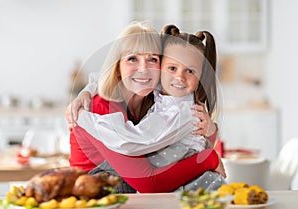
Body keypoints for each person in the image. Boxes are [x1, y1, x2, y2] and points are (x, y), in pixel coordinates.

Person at [69, 21, 225, 193]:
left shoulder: (153, 95)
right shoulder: (100, 107)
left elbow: (193, 139)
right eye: (132, 59)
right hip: (93, 194)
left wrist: (210, 129)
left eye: (152, 59)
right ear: (118, 66)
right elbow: (149, 183)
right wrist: (209, 159)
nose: (143, 69)